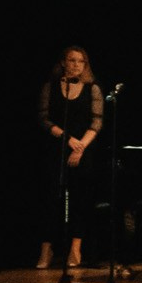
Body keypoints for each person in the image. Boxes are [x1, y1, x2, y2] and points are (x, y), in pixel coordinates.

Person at [36, 45, 105, 270]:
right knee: (51, 197)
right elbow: (44, 119)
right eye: (71, 60)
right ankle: (47, 247)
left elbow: (97, 121)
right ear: (63, 62)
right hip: (57, 147)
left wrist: (80, 146)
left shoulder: (92, 88)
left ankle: (76, 247)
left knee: (80, 198)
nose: (75, 65)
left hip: (83, 148)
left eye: (80, 61)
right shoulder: (52, 87)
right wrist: (67, 139)